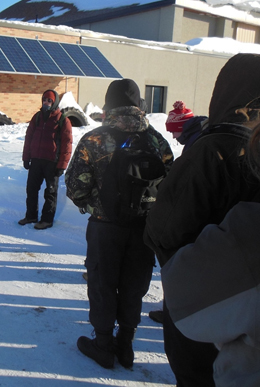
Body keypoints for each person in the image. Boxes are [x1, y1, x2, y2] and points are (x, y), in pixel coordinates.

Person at [144, 53, 260, 386]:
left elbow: (163, 229)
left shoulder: (212, 150)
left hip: (203, 300)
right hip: (254, 312)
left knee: (196, 375)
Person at [65, 79, 173, 369]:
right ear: (139, 105)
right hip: (142, 230)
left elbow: (75, 186)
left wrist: (92, 205)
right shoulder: (157, 141)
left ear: (108, 104)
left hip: (105, 227)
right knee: (133, 286)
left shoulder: (95, 139)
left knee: (102, 283)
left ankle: (102, 344)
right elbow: (170, 185)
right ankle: (125, 346)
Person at [19, 89, 72, 230]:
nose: (46, 103)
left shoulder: (62, 120)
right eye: (45, 100)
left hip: (52, 162)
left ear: (55, 102)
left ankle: (47, 220)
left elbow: (67, 144)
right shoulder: (37, 117)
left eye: (49, 100)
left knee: (50, 192)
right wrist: (26, 157)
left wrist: (62, 165)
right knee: (31, 189)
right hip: (36, 160)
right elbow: (28, 138)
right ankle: (31, 216)